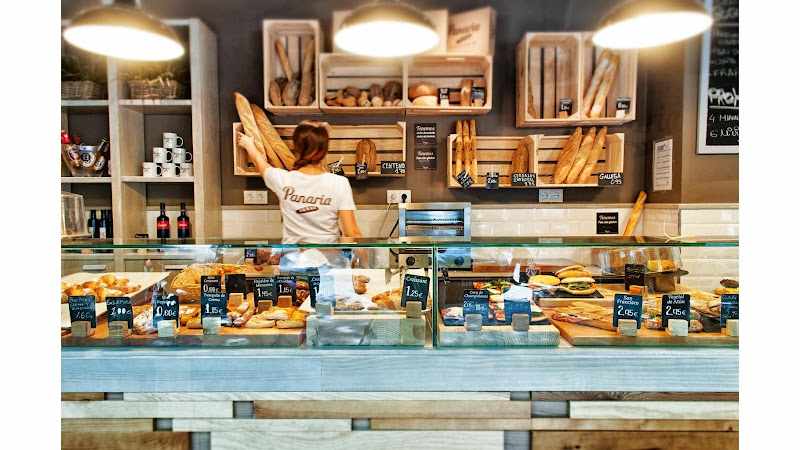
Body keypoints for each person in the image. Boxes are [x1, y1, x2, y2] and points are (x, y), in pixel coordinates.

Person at [236, 120, 363, 243]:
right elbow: (351, 232)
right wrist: (365, 262)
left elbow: (261, 164)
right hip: (328, 261)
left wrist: (249, 145)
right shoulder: (339, 183)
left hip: (293, 261)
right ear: (324, 150)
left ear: (296, 147)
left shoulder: (283, 179)